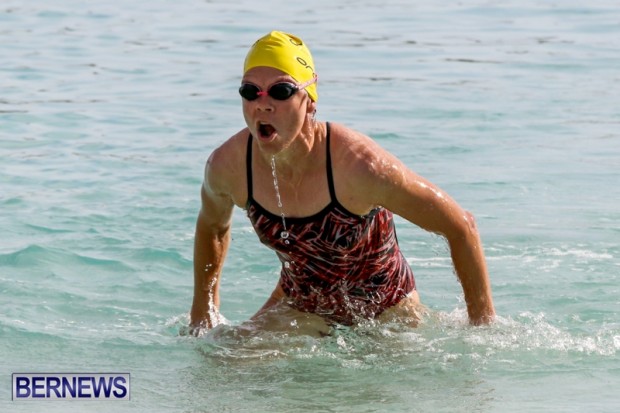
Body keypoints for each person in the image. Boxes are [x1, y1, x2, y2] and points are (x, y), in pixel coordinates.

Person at [190, 31, 495, 334]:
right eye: (250, 91)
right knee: (219, 357)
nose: (263, 104)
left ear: (310, 100)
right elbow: (212, 226)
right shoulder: (229, 167)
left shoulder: (360, 167)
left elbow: (461, 226)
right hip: (300, 307)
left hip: (387, 312)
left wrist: (482, 328)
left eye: (281, 91)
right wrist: (203, 313)